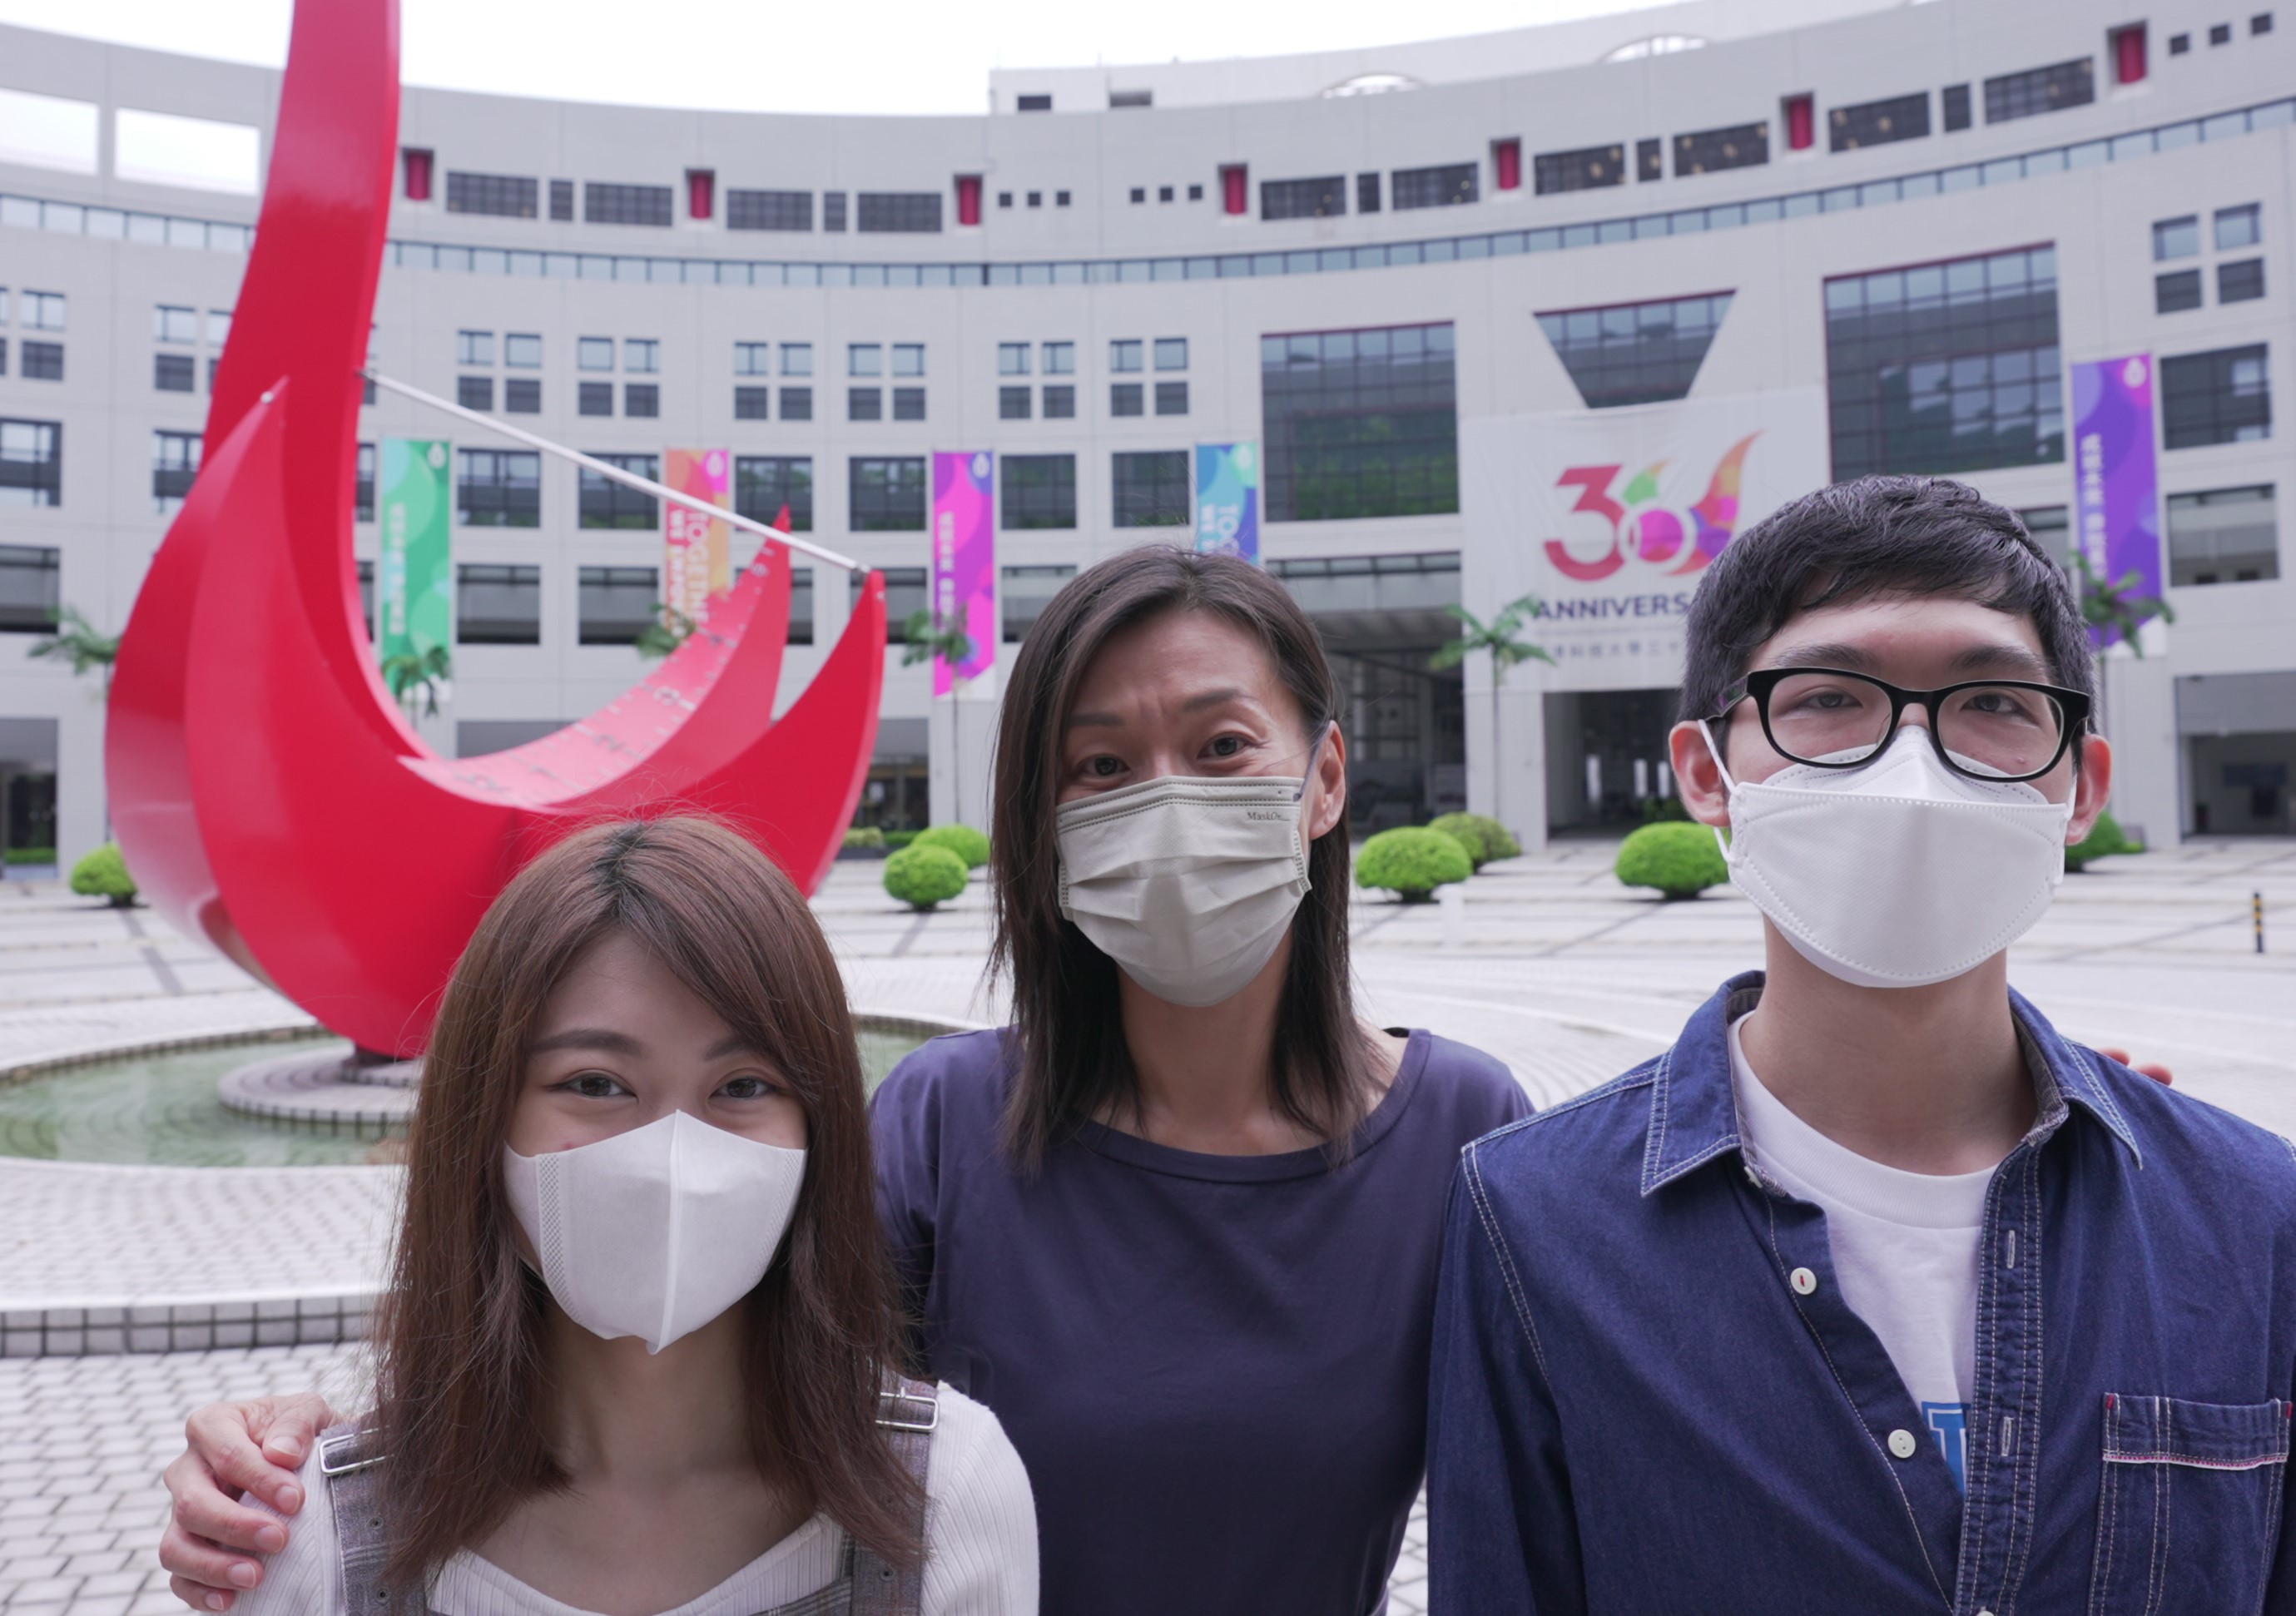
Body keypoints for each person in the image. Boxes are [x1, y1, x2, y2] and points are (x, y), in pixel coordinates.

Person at [163, 549, 1530, 1616]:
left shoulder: (1464, 1135)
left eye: (1220, 746)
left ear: (1325, 776)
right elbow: (707, 1373)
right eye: (1100, 766)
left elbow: (1529, 1517)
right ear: (1045, 832)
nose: (1161, 798)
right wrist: (327, 1456)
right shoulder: (945, 1126)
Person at [1427, 476, 2296, 1614]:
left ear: (2077, 784)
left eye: (1990, 699)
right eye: (1830, 696)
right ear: (1707, 774)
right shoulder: (1530, 1218)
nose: (1911, 766)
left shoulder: (2252, 1215)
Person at [167, 817, 1035, 1615]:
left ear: (820, 1127)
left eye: (741, 1086)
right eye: (594, 1083)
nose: (671, 1151)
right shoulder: (309, 1538)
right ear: (483, 1122)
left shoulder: (946, 1489)